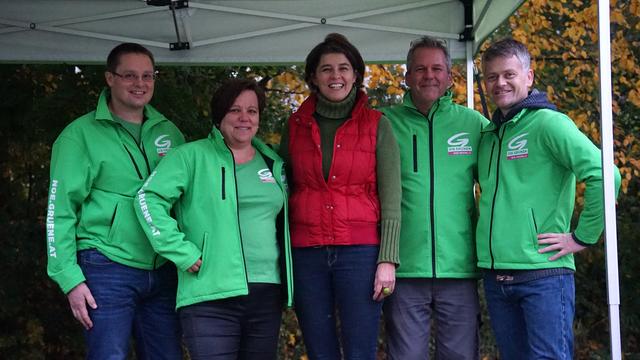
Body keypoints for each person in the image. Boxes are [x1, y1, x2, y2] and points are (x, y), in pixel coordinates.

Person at [477, 38, 621, 359]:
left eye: (509, 74)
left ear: (528, 77)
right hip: (497, 277)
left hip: (542, 274)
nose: (500, 82)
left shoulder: (549, 124)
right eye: (491, 76)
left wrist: (582, 237)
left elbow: (605, 175)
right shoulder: (489, 135)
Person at [135, 78, 293, 360]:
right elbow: (148, 199)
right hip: (209, 294)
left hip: (266, 293)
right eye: (235, 110)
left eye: (252, 111)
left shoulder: (273, 162)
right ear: (220, 115)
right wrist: (181, 252)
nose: (244, 118)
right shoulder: (190, 156)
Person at [45, 43, 184, 359]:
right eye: (130, 75)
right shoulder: (78, 136)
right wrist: (69, 279)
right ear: (110, 78)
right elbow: (60, 212)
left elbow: (186, 202)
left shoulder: (170, 132)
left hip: (163, 267)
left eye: (148, 75)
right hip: (105, 266)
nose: (140, 84)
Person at [279, 33, 402, 359]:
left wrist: (387, 259)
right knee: (320, 350)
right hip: (307, 254)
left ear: (356, 75)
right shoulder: (295, 126)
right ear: (313, 78)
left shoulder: (378, 125)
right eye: (326, 69)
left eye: (344, 68)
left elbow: (391, 198)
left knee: (360, 350)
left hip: (360, 253)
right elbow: (281, 190)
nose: (336, 76)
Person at [381, 36, 488, 360]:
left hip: (459, 267)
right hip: (403, 269)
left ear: (450, 76)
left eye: (437, 68)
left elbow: (506, 182)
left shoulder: (473, 124)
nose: (429, 75)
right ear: (407, 76)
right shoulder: (384, 123)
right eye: (420, 68)